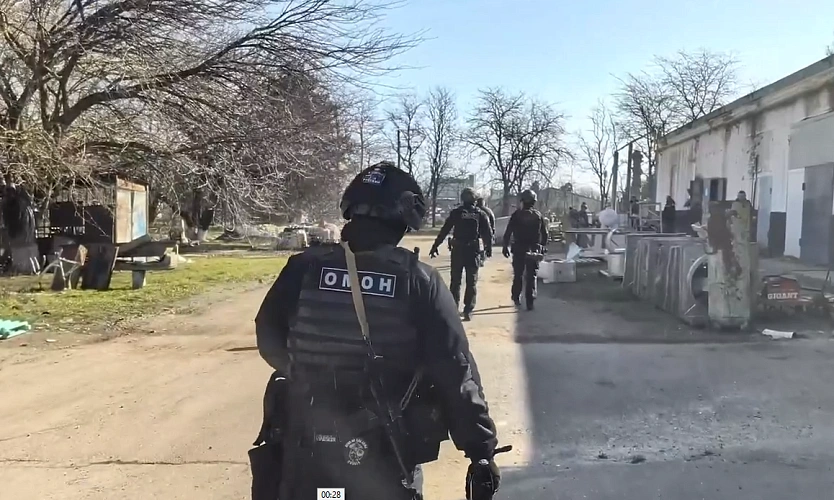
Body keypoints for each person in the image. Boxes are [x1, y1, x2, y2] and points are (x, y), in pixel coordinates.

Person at [252, 161, 501, 500]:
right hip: (384, 455)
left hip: (307, 449)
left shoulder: (303, 268)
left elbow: (268, 335)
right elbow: (454, 371)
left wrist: (306, 374)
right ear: (402, 219)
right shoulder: (418, 280)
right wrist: (481, 451)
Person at [429, 187, 493, 321]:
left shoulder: (456, 213)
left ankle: (453, 308)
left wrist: (435, 246)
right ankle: (468, 310)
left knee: (455, 281)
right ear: (475, 199)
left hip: (458, 250)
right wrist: (488, 248)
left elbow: (445, 230)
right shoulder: (480, 214)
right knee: (471, 281)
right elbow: (487, 233)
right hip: (473, 251)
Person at [501, 189, 548, 311]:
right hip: (533, 249)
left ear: (522, 200)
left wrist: (505, 246)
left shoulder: (516, 215)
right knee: (531, 275)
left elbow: (508, 232)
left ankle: (516, 296)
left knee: (518, 274)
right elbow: (545, 234)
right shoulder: (538, 215)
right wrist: (542, 247)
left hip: (519, 248)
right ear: (534, 201)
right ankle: (530, 301)